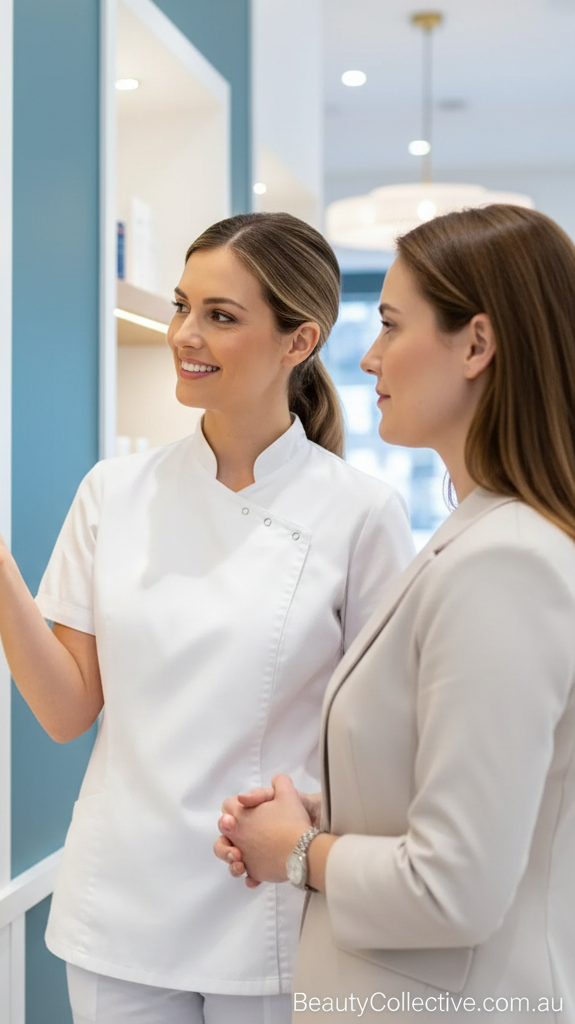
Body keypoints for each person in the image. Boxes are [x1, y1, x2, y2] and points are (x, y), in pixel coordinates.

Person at [0, 213, 413, 1024]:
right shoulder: (112, 493)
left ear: (299, 342)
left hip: (266, 906)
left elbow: (380, 742)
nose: (184, 335)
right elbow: (66, 711)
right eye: (182, 305)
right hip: (119, 908)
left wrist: (309, 820)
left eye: (221, 316)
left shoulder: (361, 513)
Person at [215, 205, 575, 1022]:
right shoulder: (482, 534)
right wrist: (333, 813)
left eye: (388, 324)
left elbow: (456, 887)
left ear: (477, 346)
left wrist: (300, 853)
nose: (369, 356)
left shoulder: (508, 565)